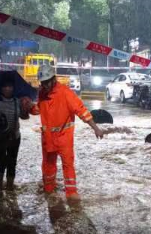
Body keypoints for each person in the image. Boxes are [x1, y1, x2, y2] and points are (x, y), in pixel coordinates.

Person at [30, 64, 104, 200]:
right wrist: (28, 107)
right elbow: (39, 109)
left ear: (53, 79)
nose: (45, 85)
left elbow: (82, 111)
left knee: (68, 165)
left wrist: (96, 128)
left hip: (64, 137)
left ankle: (71, 195)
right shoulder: (42, 93)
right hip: (48, 137)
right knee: (48, 166)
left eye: (47, 82)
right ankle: (49, 191)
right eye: (43, 82)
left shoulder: (65, 93)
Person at [0, 77, 31, 190]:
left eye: (10, 86)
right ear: (1, 88)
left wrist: (26, 108)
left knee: (12, 163)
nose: (8, 89)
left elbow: (24, 117)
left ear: (13, 88)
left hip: (15, 137)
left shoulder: (18, 101)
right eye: (5, 86)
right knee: (0, 161)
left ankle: (10, 186)